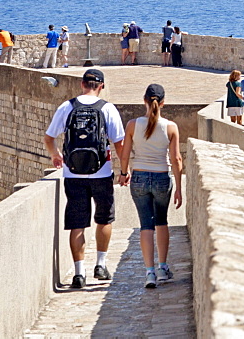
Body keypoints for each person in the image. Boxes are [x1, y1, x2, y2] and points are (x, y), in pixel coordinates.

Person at [43, 69, 125, 289]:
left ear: (82, 84)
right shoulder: (107, 108)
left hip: (73, 173)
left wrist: (55, 155)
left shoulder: (67, 107)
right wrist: (124, 169)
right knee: (104, 219)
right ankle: (100, 264)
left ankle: (79, 273)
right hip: (102, 172)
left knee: (77, 224)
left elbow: (49, 138)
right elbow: (119, 143)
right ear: (101, 86)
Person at [119, 83, 183, 289]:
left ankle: (149, 273)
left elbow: (125, 154)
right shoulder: (171, 127)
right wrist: (180, 188)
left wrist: (123, 173)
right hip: (162, 177)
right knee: (162, 221)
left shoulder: (132, 125)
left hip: (139, 178)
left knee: (146, 225)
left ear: (144, 100)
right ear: (163, 103)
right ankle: (163, 268)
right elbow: (176, 160)